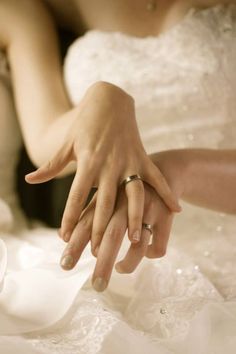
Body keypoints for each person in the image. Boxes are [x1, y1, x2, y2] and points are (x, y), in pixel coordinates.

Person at [0, 0, 236, 353]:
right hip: (118, 256)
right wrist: (100, 103)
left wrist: (178, 169)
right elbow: (49, 151)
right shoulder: (37, 9)